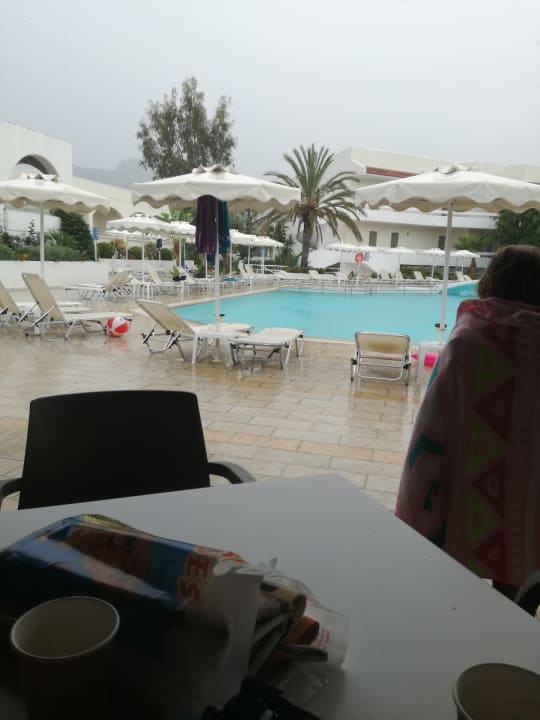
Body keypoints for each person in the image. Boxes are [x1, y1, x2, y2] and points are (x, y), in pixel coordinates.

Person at [395, 245, 540, 599]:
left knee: (457, 583)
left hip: (469, 487)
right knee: (519, 582)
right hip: (531, 495)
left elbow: (434, 420)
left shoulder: (468, 339)